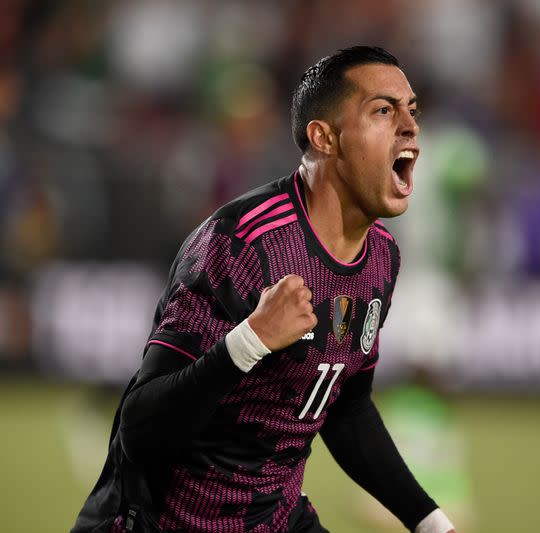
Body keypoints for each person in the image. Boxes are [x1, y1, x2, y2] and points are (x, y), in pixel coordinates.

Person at [72, 46, 456, 533]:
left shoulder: (382, 257)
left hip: (273, 518)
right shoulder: (240, 243)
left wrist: (429, 521)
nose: (410, 126)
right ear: (325, 137)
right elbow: (140, 431)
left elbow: (346, 408)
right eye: (383, 110)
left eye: (412, 111)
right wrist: (248, 341)